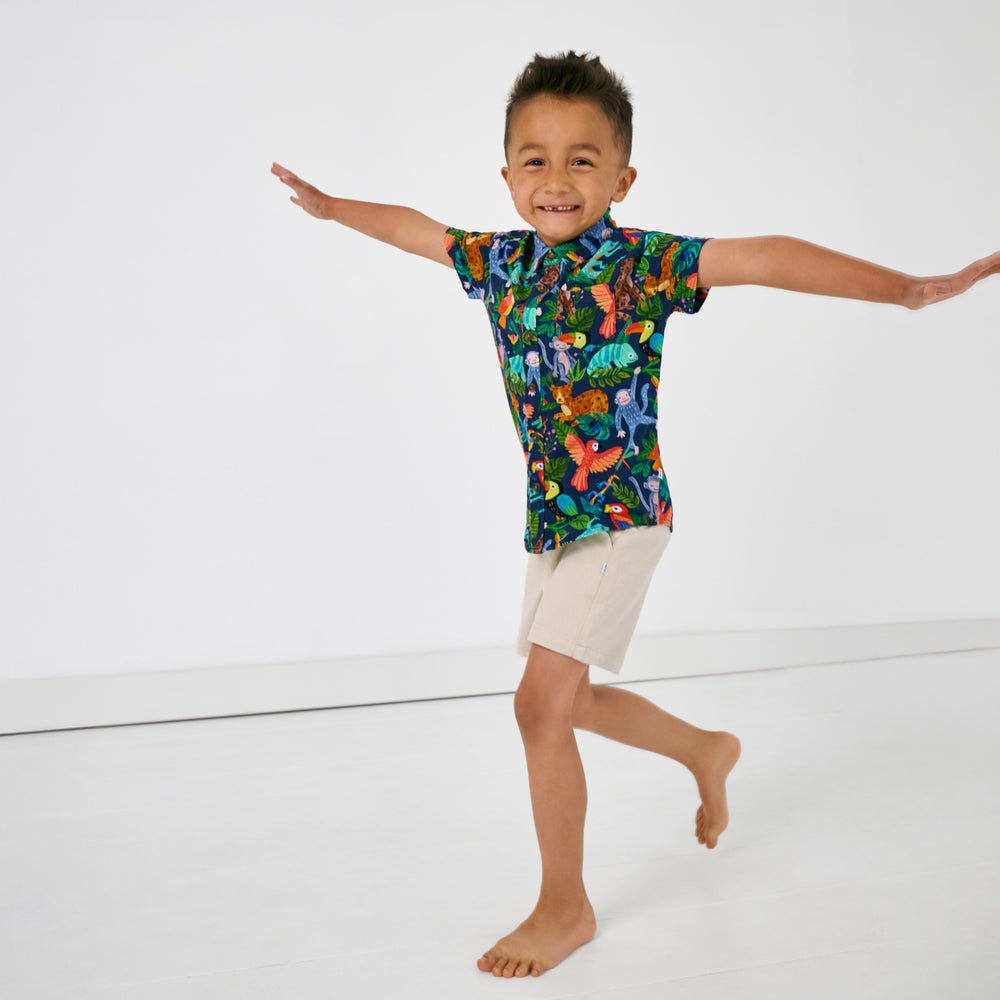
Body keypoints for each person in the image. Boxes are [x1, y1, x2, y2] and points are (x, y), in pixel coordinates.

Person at [271, 51, 999, 980]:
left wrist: (904, 288)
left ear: (622, 178)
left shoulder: (644, 264)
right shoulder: (498, 261)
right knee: (569, 702)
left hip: (621, 516)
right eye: (535, 160)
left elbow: (764, 256)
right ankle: (705, 750)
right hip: (553, 522)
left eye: (583, 160)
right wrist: (334, 208)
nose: (557, 179)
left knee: (538, 706)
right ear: (507, 177)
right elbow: (417, 229)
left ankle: (565, 908)